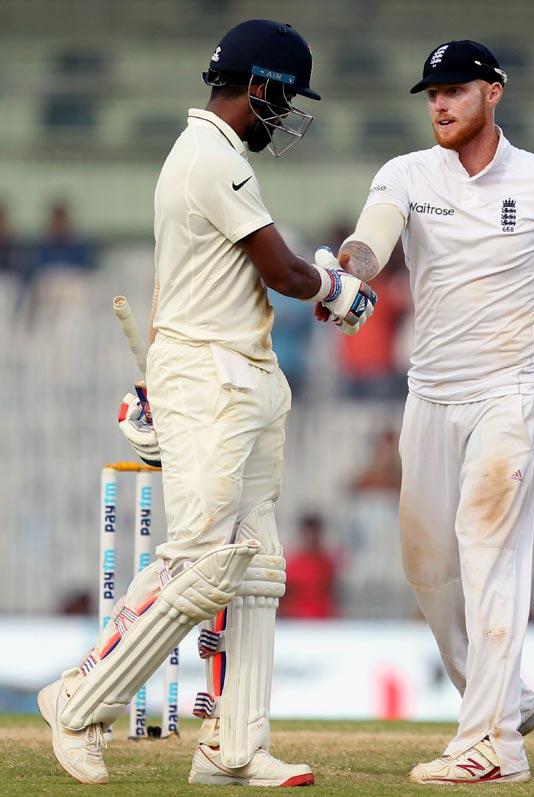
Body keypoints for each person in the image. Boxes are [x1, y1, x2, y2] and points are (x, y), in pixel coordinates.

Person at [38, 19, 376, 788]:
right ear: (257, 85)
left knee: (253, 568)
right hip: (213, 380)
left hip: (241, 374)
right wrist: (339, 291)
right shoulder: (206, 158)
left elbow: (183, 282)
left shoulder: (215, 158)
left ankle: (232, 747)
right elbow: (284, 271)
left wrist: (155, 379)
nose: (283, 117)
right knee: (199, 561)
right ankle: (80, 698)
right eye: (282, 100)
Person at [330, 39, 534, 785]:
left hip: (511, 390)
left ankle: (493, 746)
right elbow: (376, 238)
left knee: (486, 549)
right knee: (426, 564)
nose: (438, 104)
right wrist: (349, 265)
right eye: (431, 93)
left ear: (493, 93)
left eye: (454, 90)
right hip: (430, 393)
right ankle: (503, 694)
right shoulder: (408, 173)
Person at [282, 513, 339, 619]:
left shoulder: (327, 564)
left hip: (323, 621)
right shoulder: (293, 565)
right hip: (298, 621)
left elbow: (332, 595)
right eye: (309, 534)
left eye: (315, 534)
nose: (312, 539)